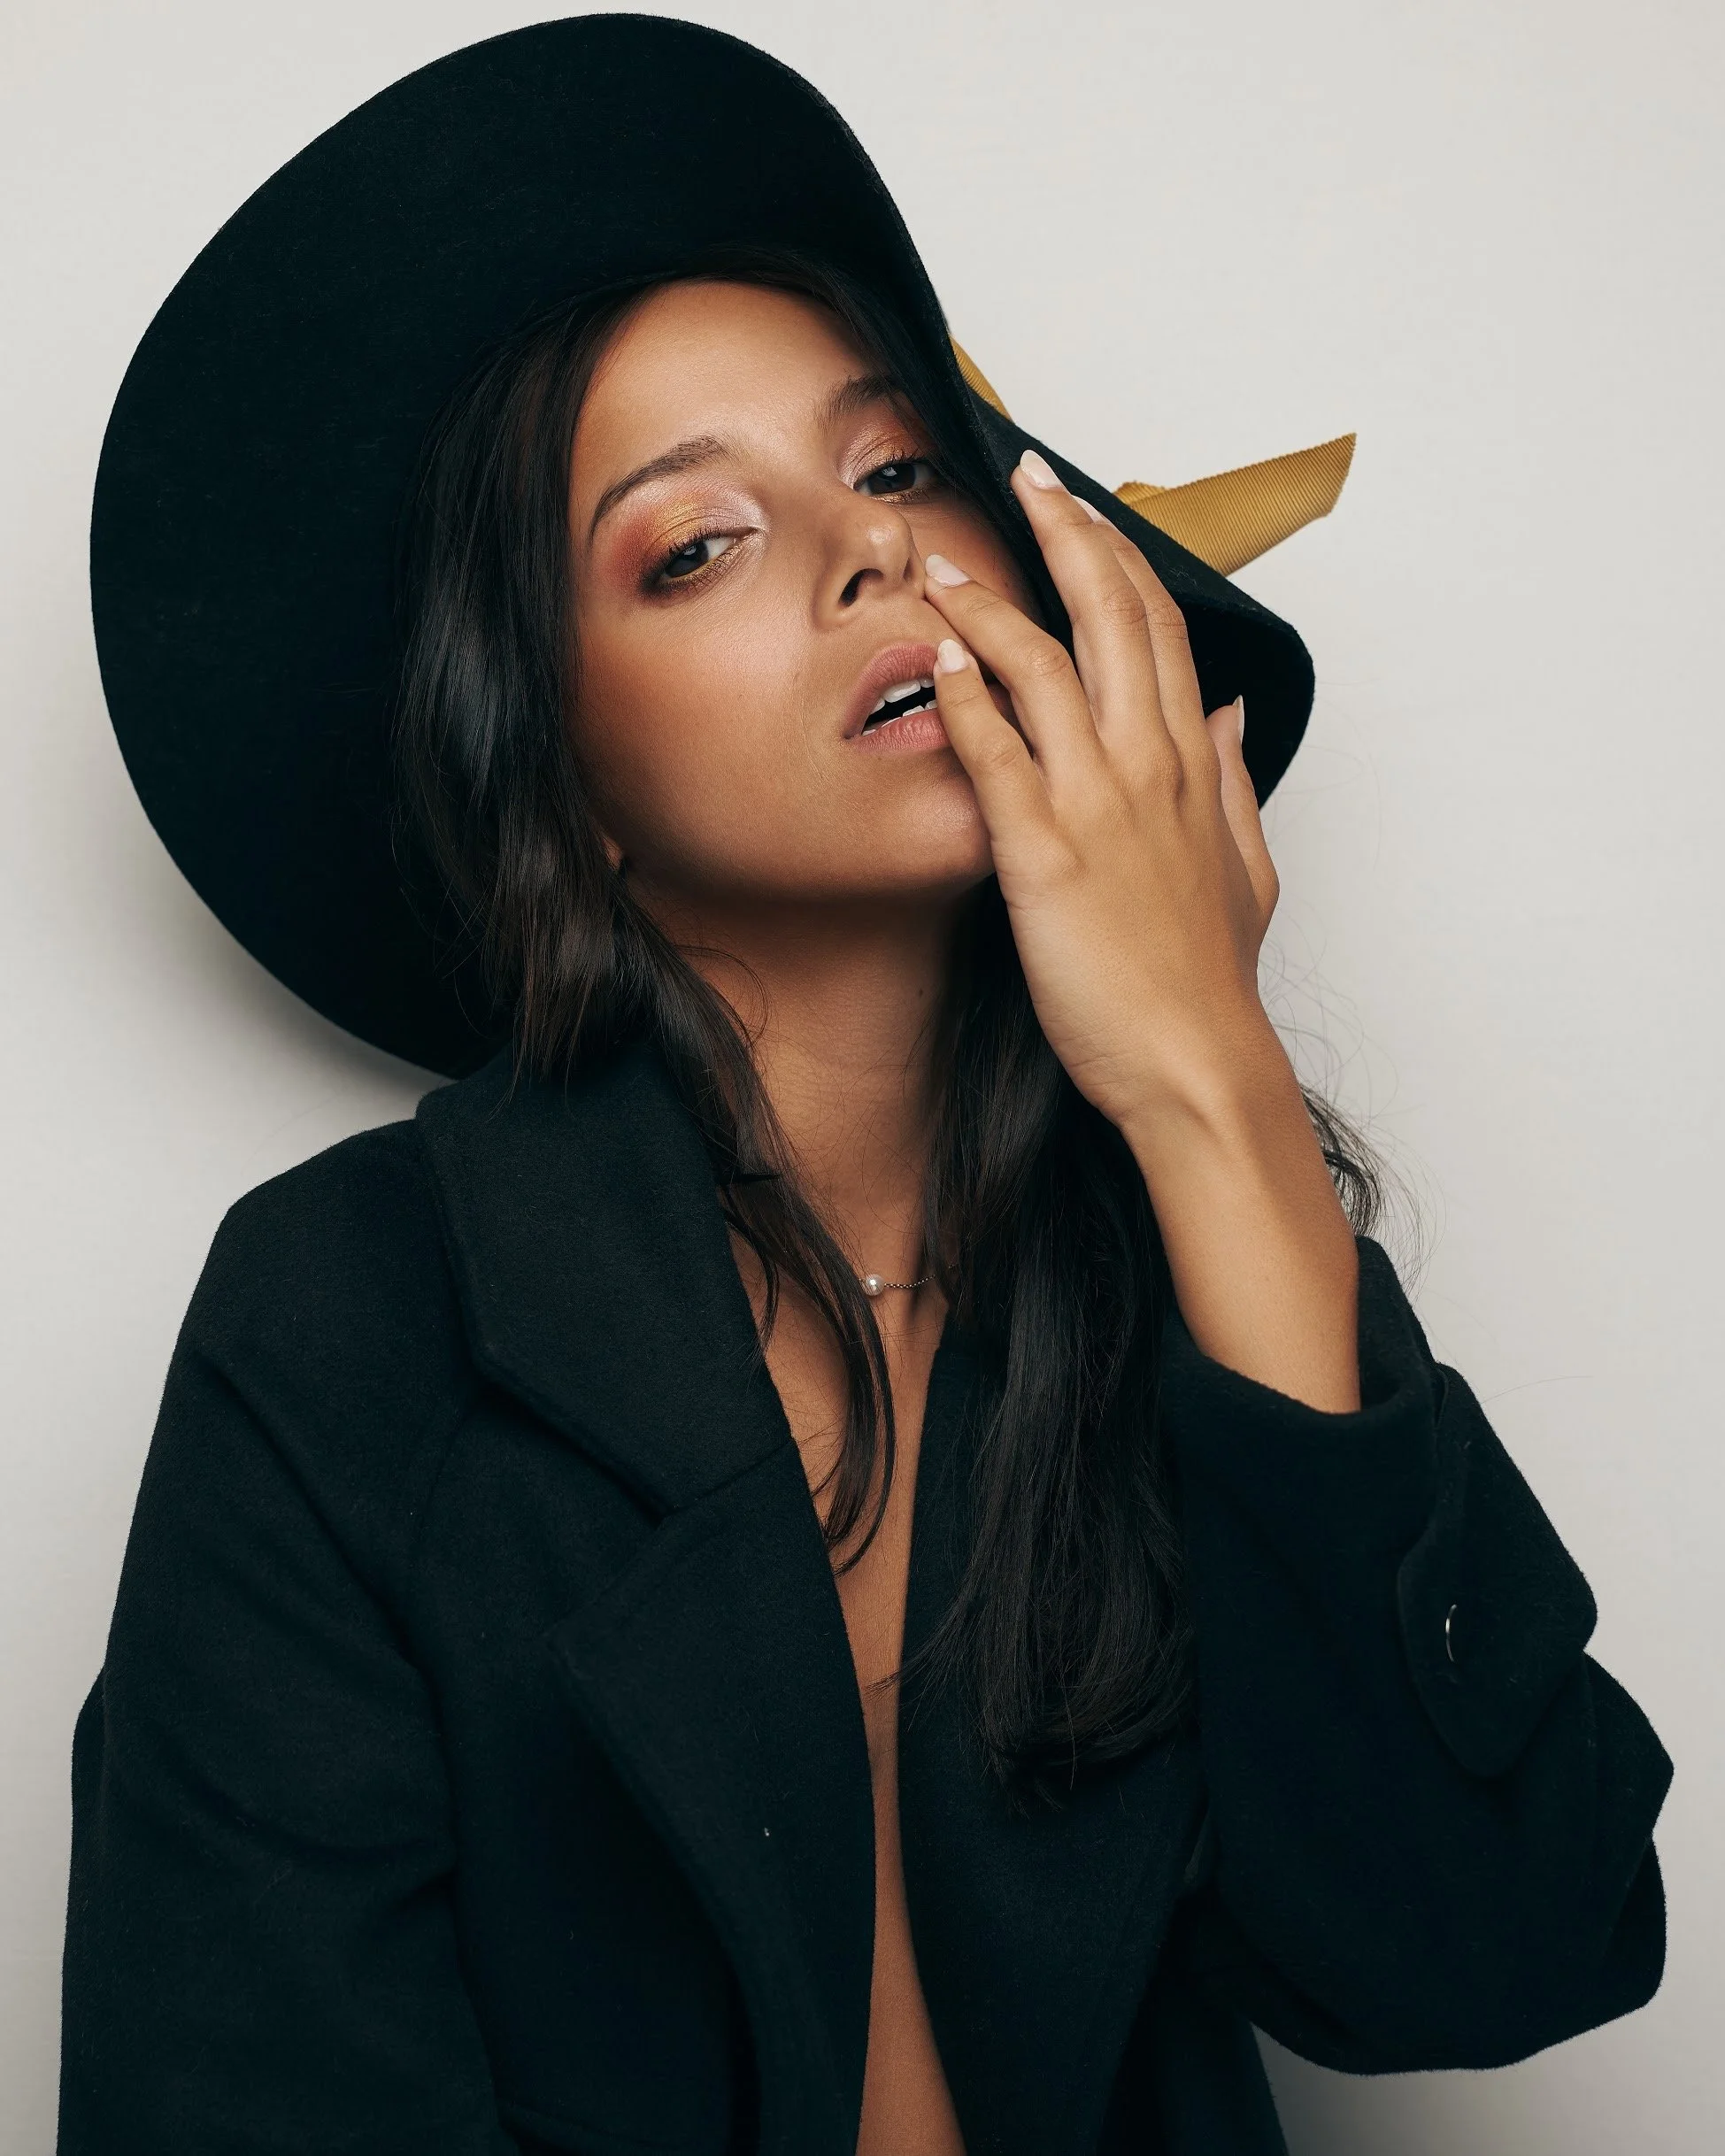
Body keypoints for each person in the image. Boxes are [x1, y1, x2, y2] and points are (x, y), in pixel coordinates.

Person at [61, 18, 1670, 2156]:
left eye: (901, 467)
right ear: (566, 779)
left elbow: (1487, 1958)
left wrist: (1212, 1080)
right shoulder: (351, 1316)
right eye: (693, 544)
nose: (871, 557)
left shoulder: (1178, 1254)